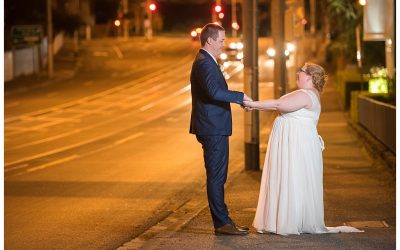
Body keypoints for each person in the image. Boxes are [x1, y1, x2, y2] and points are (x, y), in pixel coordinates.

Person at [244, 62, 363, 235]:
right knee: (292, 178)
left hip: (296, 145)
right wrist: (254, 105)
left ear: (309, 76)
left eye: (300, 71)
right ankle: (288, 219)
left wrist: (252, 103)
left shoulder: (306, 94)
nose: (297, 73)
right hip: (295, 143)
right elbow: (277, 105)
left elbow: (278, 105)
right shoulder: (305, 93)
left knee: (292, 177)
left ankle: (289, 221)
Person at [189, 23, 252, 236]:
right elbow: (214, 92)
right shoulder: (204, 63)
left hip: (214, 126)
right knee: (216, 176)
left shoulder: (207, 61)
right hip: (212, 128)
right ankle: (222, 223)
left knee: (218, 175)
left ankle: (224, 221)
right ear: (210, 40)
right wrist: (240, 97)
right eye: (222, 40)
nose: (224, 44)